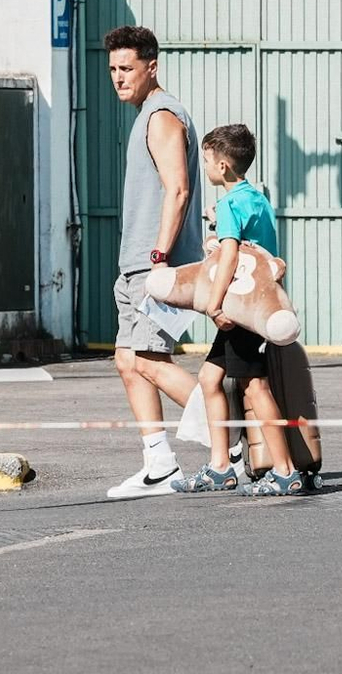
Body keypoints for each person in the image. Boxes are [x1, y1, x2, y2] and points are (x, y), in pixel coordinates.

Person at [173, 124, 306, 497]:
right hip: (255, 305)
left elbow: (230, 253)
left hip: (238, 310)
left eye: (209, 161)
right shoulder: (256, 199)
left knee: (254, 385)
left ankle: (284, 470)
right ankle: (220, 467)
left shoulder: (232, 204)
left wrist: (212, 304)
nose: (207, 167)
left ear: (225, 167)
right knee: (209, 379)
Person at [103, 25, 206, 498]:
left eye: (127, 68)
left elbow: (179, 189)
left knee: (149, 359)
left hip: (158, 266)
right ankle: (159, 464)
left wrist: (160, 259)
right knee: (128, 360)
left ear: (152, 67)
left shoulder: (162, 115)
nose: (119, 78)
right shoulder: (145, 114)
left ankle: (239, 436)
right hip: (137, 265)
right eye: (112, 70)